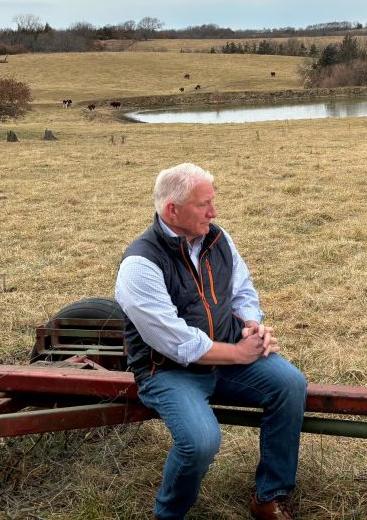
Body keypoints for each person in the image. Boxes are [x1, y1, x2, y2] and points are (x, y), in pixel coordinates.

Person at [115, 163, 307, 520]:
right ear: (172, 210)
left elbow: (242, 291)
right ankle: (168, 514)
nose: (214, 212)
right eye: (204, 204)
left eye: (212, 202)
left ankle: (269, 497)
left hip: (227, 357)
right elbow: (176, 344)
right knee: (201, 441)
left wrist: (251, 325)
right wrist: (237, 352)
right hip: (169, 371)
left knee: (290, 384)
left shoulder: (218, 239)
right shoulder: (140, 264)